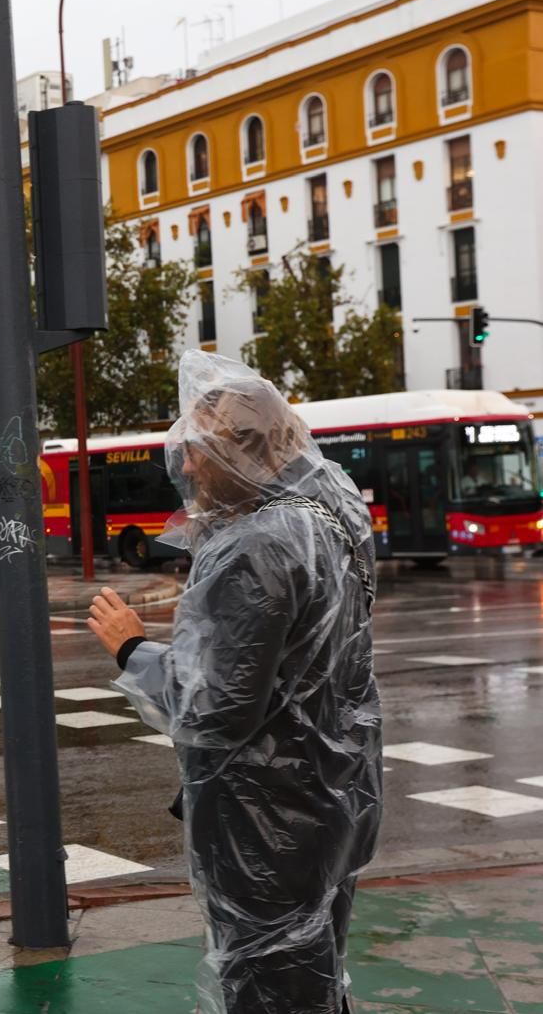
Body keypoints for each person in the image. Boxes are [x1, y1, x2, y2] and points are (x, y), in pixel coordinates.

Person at [86, 351, 381, 1014]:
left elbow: (213, 707)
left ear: (238, 453)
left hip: (265, 818)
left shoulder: (255, 547)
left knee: (269, 986)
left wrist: (131, 647)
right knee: (313, 973)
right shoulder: (334, 513)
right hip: (336, 794)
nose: (183, 467)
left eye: (195, 450)